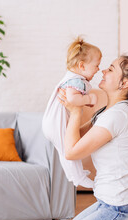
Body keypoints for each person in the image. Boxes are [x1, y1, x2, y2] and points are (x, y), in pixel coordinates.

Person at [58, 55, 128, 220]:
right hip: (110, 203)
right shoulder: (107, 113)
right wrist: (70, 106)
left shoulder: (118, 116)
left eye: (111, 69)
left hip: (123, 209)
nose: (104, 70)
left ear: (124, 84)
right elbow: (76, 136)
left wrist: (75, 111)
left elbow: (72, 152)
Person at [42, 37, 101, 188]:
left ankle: (76, 175)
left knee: (65, 150)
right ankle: (78, 177)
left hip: (52, 122)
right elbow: (72, 100)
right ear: (82, 65)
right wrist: (89, 98)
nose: (98, 69)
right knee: (70, 150)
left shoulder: (73, 78)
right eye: (96, 65)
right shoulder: (76, 80)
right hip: (56, 122)